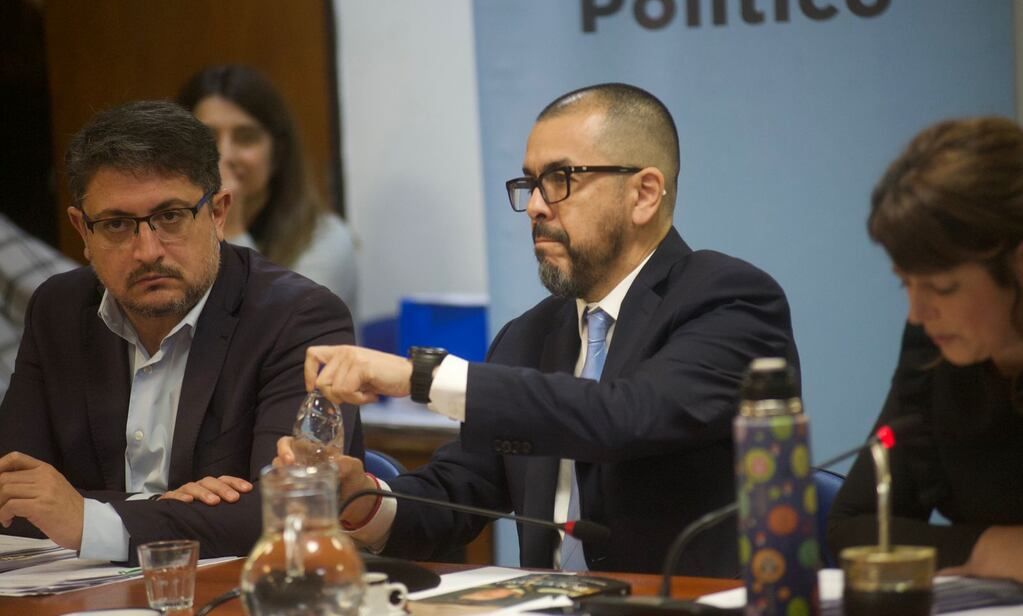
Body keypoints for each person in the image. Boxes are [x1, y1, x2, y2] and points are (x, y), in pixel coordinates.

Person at [277, 83, 800, 576]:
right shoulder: (528, 335)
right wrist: (361, 500)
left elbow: (625, 415)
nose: (534, 206)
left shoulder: (729, 300)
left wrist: (422, 376)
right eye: (530, 182)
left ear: (644, 194)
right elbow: (458, 494)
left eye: (561, 179)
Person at [0, 101, 363, 561]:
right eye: (116, 225)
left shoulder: (300, 318)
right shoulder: (58, 310)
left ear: (217, 213)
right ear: (82, 231)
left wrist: (89, 518)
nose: (147, 250)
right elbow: (13, 494)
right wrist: (158, 508)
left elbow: (290, 510)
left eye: (170, 216)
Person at [827, 116, 1023, 582]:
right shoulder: (934, 351)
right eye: (906, 284)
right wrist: (987, 547)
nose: (918, 313)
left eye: (942, 287)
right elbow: (852, 528)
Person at [177, 64, 358, 312]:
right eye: (206, 138)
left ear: (277, 153)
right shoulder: (165, 231)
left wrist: (228, 225)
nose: (223, 155)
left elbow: (282, 336)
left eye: (245, 137)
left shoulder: (325, 238)